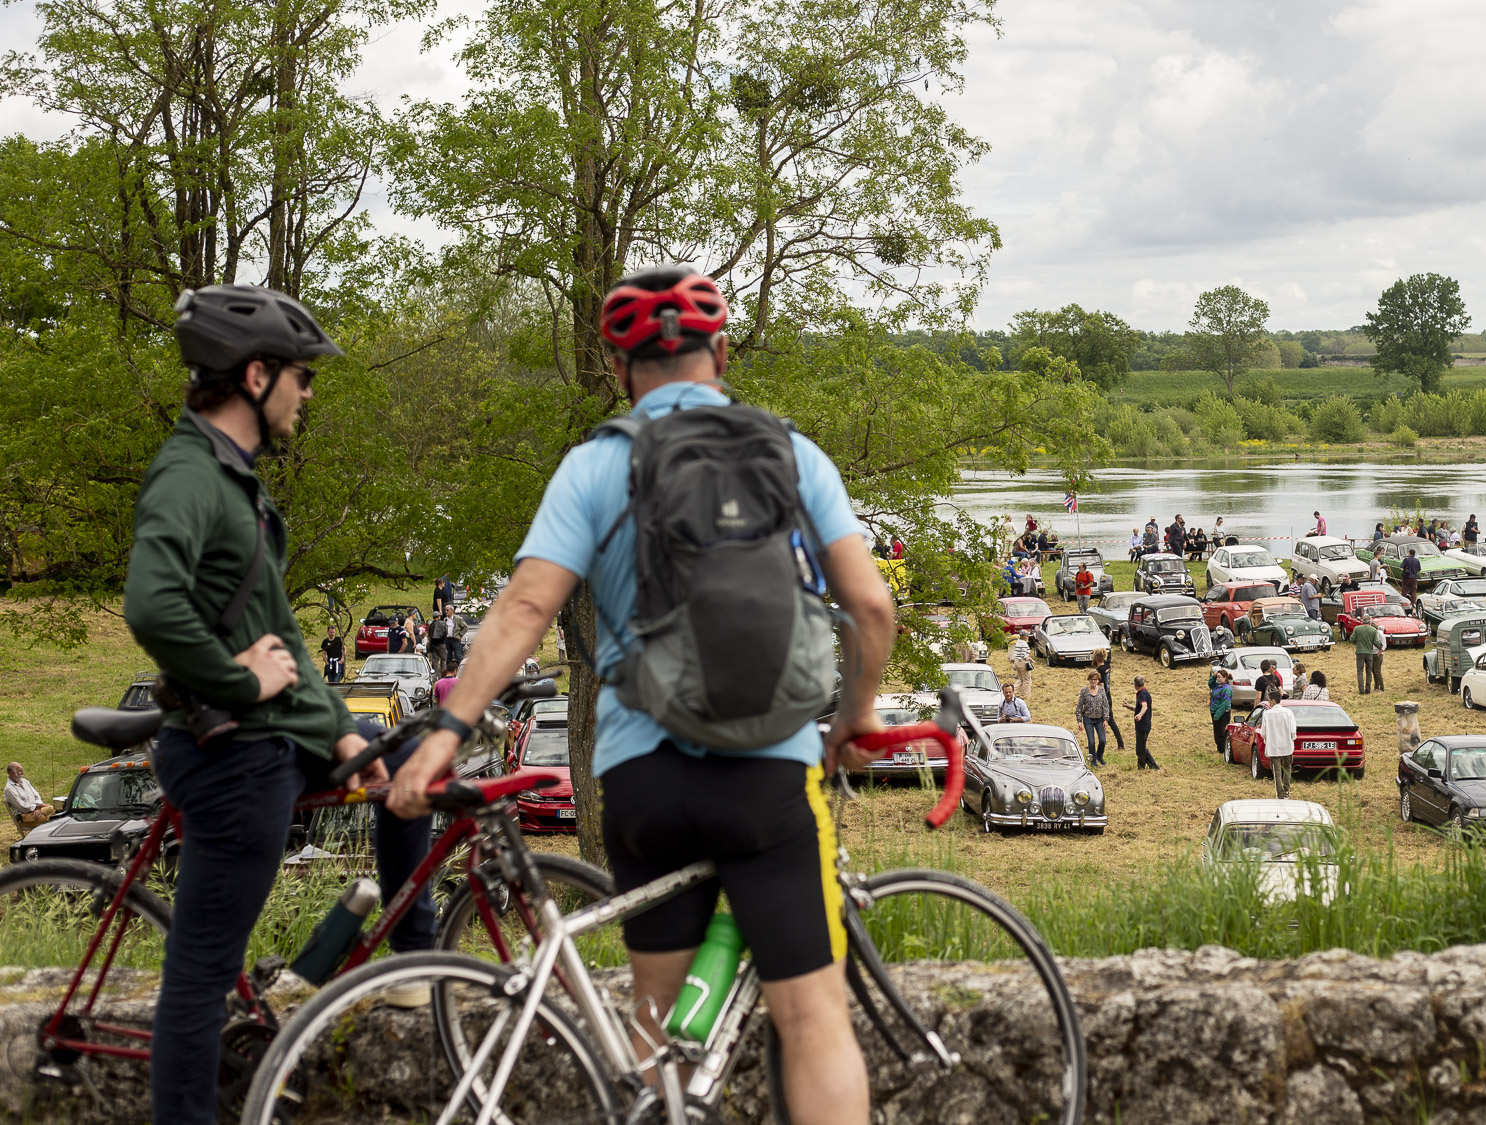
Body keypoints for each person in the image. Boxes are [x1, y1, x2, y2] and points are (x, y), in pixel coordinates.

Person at [384, 267, 897, 1125]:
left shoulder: (596, 463)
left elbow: (524, 607)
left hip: (642, 772)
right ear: (722, 354)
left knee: (654, 1027)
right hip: (770, 771)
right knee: (811, 1015)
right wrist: (857, 714)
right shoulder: (791, 454)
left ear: (621, 370)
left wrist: (445, 729)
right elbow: (871, 605)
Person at [123, 283, 435, 1125]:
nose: (308, 391)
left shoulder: (237, 480)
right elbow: (153, 605)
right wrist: (235, 679)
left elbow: (282, 632)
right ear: (256, 375)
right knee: (198, 977)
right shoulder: (189, 475)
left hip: (277, 739)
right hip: (230, 755)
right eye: (301, 375)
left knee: (407, 752)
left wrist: (339, 729)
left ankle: (414, 960)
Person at [1258, 688, 1296, 799]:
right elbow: (1293, 730)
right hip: (1287, 745)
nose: (1268, 702)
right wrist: (1292, 738)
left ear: (1273, 701)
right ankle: (1286, 790)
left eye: (1269, 700)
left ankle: (1280, 794)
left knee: (1277, 771)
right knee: (1288, 767)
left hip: (1273, 746)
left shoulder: (1267, 714)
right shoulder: (1288, 712)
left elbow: (1263, 732)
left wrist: (1266, 739)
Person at [1089, 649, 1124, 753]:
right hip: (1109, 697)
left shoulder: (1099, 670)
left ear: (1095, 658)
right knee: (1109, 720)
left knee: (1101, 720)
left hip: (1102, 698)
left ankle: (1120, 743)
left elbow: (1102, 686)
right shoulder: (1107, 666)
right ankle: (1119, 743)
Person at [1075, 671, 1111, 768]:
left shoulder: (1102, 690)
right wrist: (1079, 721)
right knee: (1091, 742)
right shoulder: (1084, 691)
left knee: (1103, 740)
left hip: (1099, 719)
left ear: (1098, 680)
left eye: (1095, 679)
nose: (1093, 681)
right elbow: (1079, 707)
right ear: (1088, 680)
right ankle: (1093, 761)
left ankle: (1099, 756)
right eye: (1091, 679)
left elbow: (1106, 705)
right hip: (1088, 719)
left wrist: (1105, 719)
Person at [5, 763, 52, 834]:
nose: (22, 773)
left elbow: (36, 795)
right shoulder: (9, 789)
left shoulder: (25, 781)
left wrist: (38, 808)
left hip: (36, 809)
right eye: (20, 771)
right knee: (46, 819)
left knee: (54, 809)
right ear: (12, 773)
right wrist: (38, 807)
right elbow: (22, 807)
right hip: (24, 816)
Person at [1129, 676, 1158, 771]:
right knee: (1141, 747)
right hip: (1146, 724)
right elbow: (1140, 707)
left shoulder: (1141, 694)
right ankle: (1146, 767)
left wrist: (1140, 715)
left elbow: (1144, 707)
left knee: (1140, 749)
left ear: (1135, 685)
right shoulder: (1146, 693)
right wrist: (1129, 707)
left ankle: (1151, 767)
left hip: (1142, 725)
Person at [1352, 615, 1385, 695]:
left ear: (1362, 621)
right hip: (1369, 653)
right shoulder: (1373, 630)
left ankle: (1361, 690)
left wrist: (1357, 641)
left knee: (1360, 671)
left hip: (1359, 652)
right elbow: (1376, 643)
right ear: (1370, 621)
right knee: (1369, 671)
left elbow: (1352, 639)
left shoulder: (1357, 629)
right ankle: (1368, 689)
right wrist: (1380, 647)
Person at [1209, 669, 1233, 756]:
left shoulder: (1226, 689)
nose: (1218, 679)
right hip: (1214, 712)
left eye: (1220, 677)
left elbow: (1225, 704)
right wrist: (1213, 676)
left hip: (1222, 714)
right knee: (1217, 732)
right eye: (1217, 677)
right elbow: (1210, 684)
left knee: (1221, 732)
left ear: (1225, 678)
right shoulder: (1217, 686)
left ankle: (1224, 750)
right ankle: (1220, 749)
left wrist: (1217, 715)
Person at [1010, 632, 1033, 701]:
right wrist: (1029, 658)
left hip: (1017, 662)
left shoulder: (1018, 642)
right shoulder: (1024, 643)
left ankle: (1012, 692)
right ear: (1025, 636)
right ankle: (1025, 695)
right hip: (1022, 662)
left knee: (1020, 678)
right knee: (1027, 680)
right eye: (1027, 635)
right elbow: (1023, 654)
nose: (1028, 637)